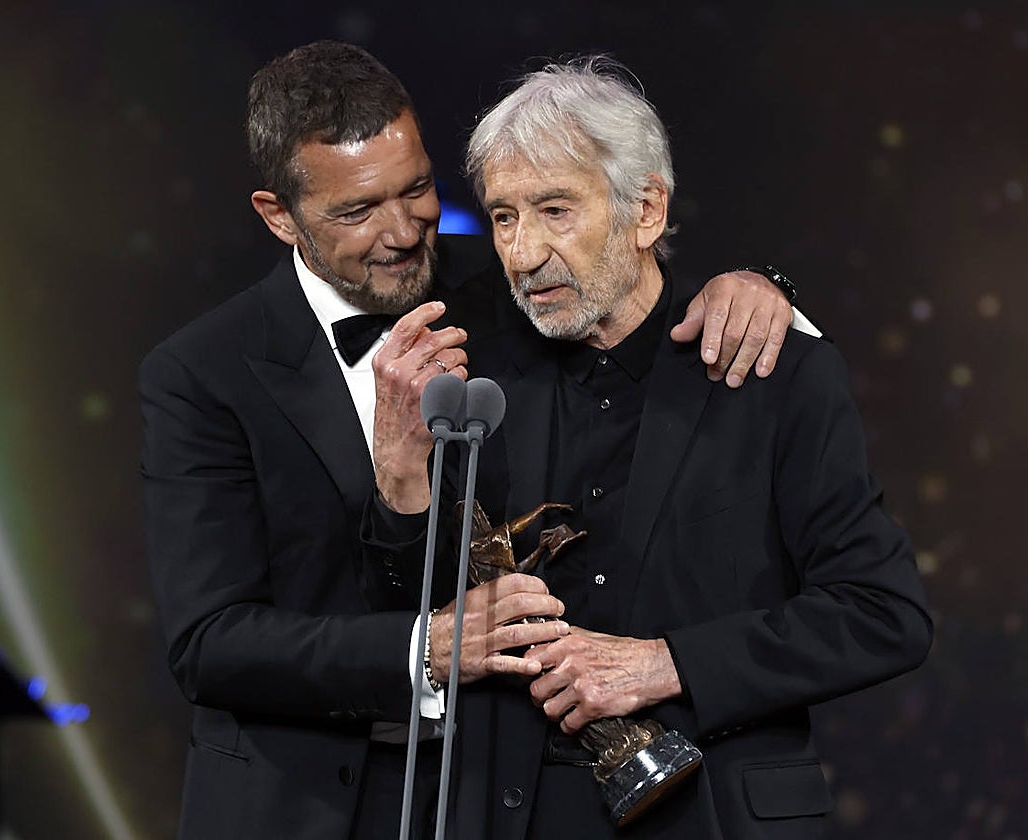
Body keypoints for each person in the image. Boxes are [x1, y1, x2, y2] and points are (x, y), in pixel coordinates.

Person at [141, 41, 796, 840]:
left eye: (416, 189)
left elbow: (628, 278)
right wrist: (426, 647)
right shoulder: (200, 373)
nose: (402, 233)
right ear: (280, 216)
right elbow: (212, 644)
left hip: (488, 796)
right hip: (298, 803)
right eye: (356, 211)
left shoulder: (508, 282)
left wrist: (759, 289)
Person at [367, 57, 933, 839]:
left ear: (647, 210)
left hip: (711, 815)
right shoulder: (470, 378)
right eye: (503, 217)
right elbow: (402, 609)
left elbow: (883, 614)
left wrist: (666, 663)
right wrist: (398, 482)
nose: (524, 254)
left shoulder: (772, 374)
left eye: (556, 210)